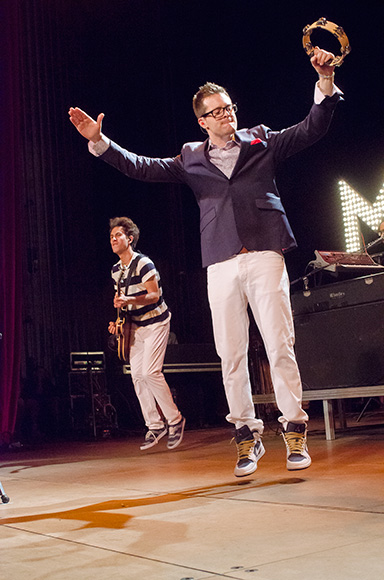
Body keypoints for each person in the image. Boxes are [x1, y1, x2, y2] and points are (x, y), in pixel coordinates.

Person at [69, 47, 343, 476]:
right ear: (202, 121)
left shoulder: (262, 140)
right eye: (217, 112)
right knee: (231, 354)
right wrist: (99, 143)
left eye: (229, 108)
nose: (226, 116)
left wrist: (324, 81)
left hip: (265, 252)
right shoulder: (190, 158)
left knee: (279, 345)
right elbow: (142, 167)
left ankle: (294, 429)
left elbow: (312, 128)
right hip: (221, 262)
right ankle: (247, 437)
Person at [108, 216, 185, 451]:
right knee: (138, 376)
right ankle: (155, 424)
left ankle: (175, 420)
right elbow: (124, 306)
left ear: (130, 239)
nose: (113, 239)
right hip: (137, 327)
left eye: (118, 235)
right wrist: (118, 324)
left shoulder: (144, 264)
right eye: (111, 236)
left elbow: (154, 295)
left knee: (151, 372)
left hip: (157, 322)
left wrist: (129, 299)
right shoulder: (115, 271)